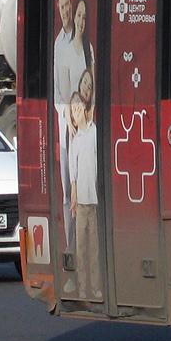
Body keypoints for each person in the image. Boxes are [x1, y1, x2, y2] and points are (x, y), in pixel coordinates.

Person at [52, 0, 86, 252]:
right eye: (61, 6)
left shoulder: (82, 42)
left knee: (82, 190)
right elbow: (57, 89)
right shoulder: (57, 44)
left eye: (67, 5)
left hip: (82, 125)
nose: (65, 10)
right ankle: (70, 247)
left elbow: (88, 84)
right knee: (66, 190)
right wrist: (64, 112)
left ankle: (85, 245)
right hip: (66, 127)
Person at [67, 91, 102, 301]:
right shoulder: (75, 140)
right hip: (81, 203)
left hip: (94, 202)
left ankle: (96, 286)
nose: (77, 109)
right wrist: (73, 197)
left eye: (79, 105)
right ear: (72, 115)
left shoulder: (94, 132)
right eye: (74, 108)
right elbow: (73, 172)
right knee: (81, 248)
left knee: (94, 249)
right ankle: (82, 286)